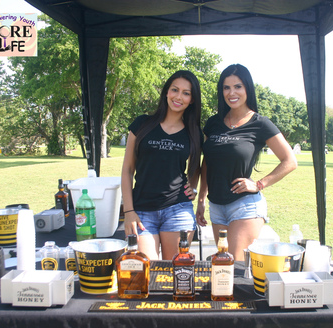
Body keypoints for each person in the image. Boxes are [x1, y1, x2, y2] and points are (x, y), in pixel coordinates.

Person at [196, 64, 297, 261]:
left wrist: (259, 184)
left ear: (247, 89)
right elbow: (207, 162)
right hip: (216, 206)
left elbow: (290, 161)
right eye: (226, 87)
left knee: (233, 265)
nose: (231, 92)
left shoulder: (260, 123)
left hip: (244, 206)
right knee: (224, 264)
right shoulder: (213, 123)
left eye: (238, 86)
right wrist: (201, 199)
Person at [121, 70, 202, 260]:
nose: (178, 97)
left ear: (192, 100)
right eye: (175, 90)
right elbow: (127, 170)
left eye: (186, 93)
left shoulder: (194, 132)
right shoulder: (142, 124)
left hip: (178, 209)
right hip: (141, 211)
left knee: (174, 273)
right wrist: (129, 211)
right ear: (166, 92)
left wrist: (194, 186)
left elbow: (197, 166)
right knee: (147, 271)